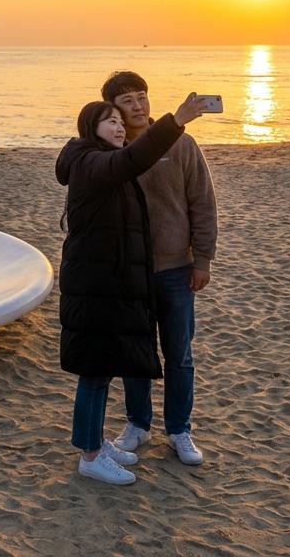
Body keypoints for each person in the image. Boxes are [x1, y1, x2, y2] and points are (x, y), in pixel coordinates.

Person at [56, 92, 205, 485]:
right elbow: (132, 160)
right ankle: (90, 454)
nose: (121, 126)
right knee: (95, 372)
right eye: (111, 121)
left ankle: (97, 443)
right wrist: (176, 120)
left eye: (120, 122)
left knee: (104, 368)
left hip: (112, 282)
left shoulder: (99, 162)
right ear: (92, 129)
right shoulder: (93, 163)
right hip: (96, 284)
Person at [101, 70, 218, 467]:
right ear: (113, 110)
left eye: (141, 96)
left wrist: (202, 259)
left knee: (179, 354)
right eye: (127, 101)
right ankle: (137, 423)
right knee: (136, 351)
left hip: (175, 269)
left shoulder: (182, 144)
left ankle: (179, 429)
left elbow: (203, 203)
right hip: (130, 271)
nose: (138, 105)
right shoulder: (112, 151)